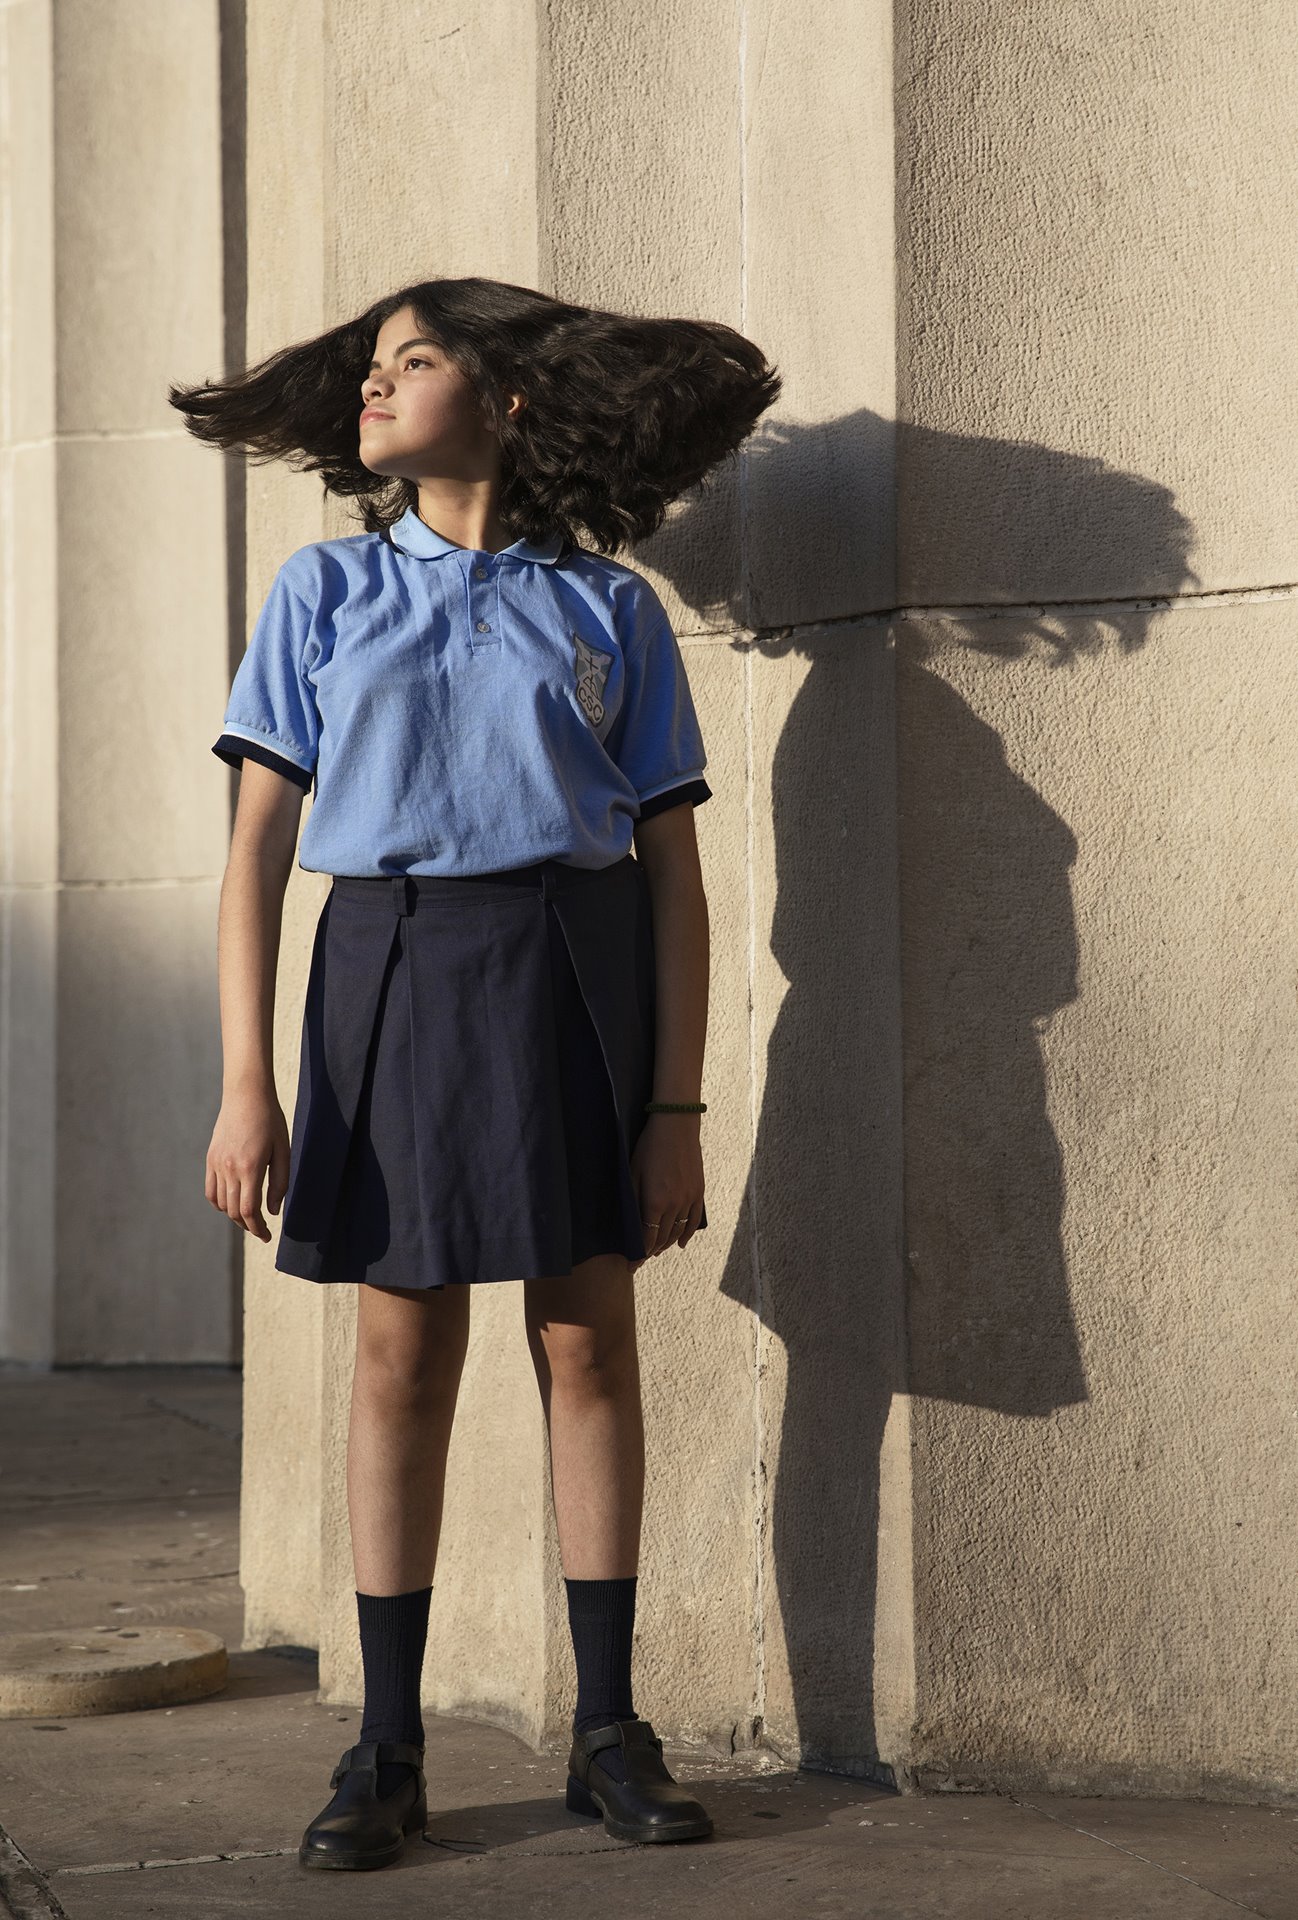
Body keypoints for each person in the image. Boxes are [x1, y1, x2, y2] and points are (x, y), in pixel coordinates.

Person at [170, 276, 780, 1871]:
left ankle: (605, 1728)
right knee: (399, 1356)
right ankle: (385, 1746)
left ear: (505, 399)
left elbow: (673, 881)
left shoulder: (611, 610)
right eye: (371, 369)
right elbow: (254, 856)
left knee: (585, 1343)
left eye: (412, 362)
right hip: (386, 967)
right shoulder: (322, 591)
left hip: (573, 970)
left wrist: (674, 1110)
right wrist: (249, 1083)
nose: (374, 389)